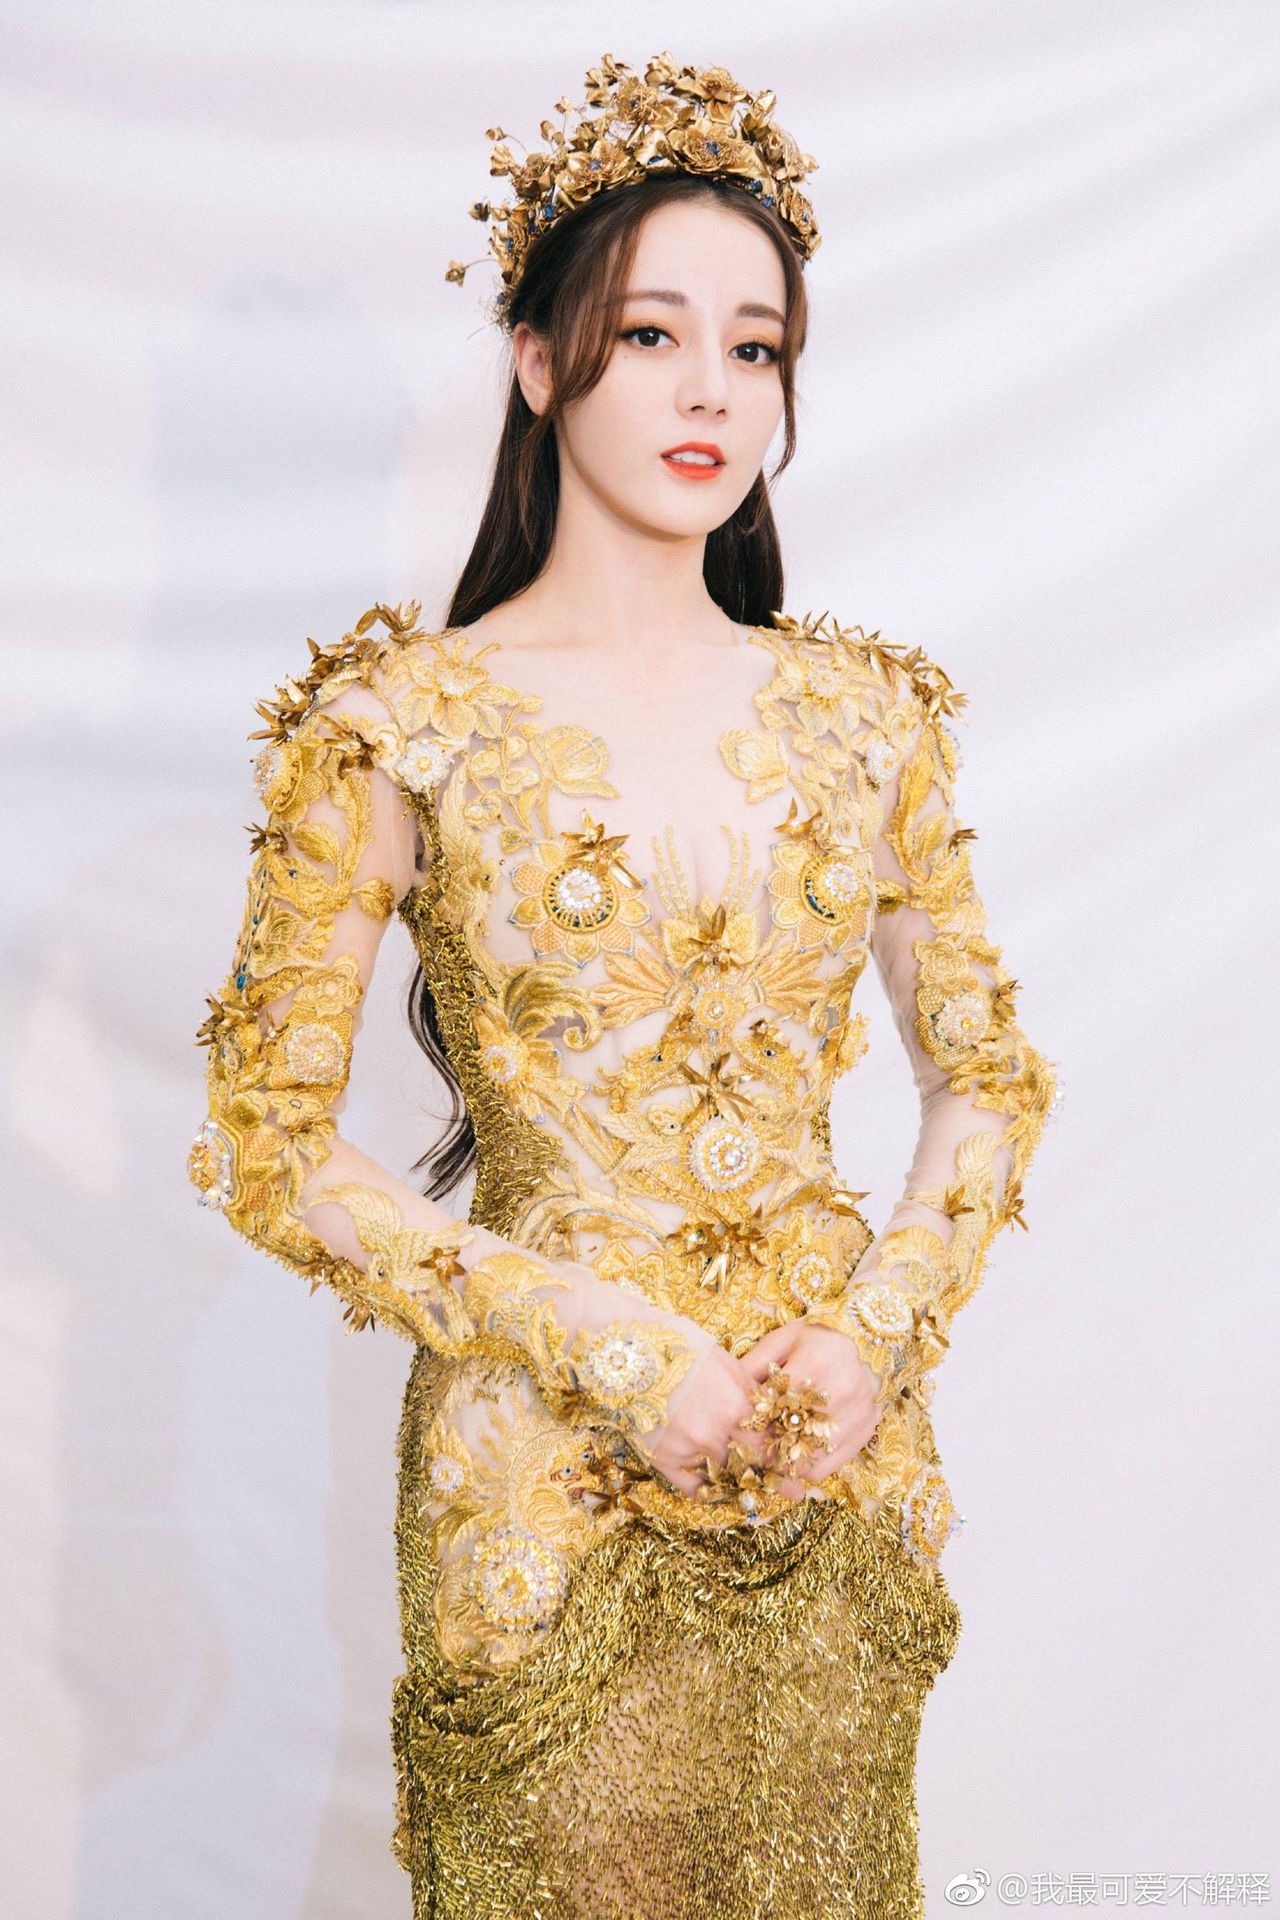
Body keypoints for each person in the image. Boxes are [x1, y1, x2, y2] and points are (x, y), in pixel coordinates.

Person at [187, 49, 1060, 1920]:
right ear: (537, 360)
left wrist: (880, 1332)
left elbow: (988, 1079)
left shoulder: (868, 720)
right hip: (540, 1489)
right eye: (653, 334)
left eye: (756, 347)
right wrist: (601, 1338)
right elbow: (268, 1142)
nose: (711, 391)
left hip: (835, 1470)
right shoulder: (395, 728)